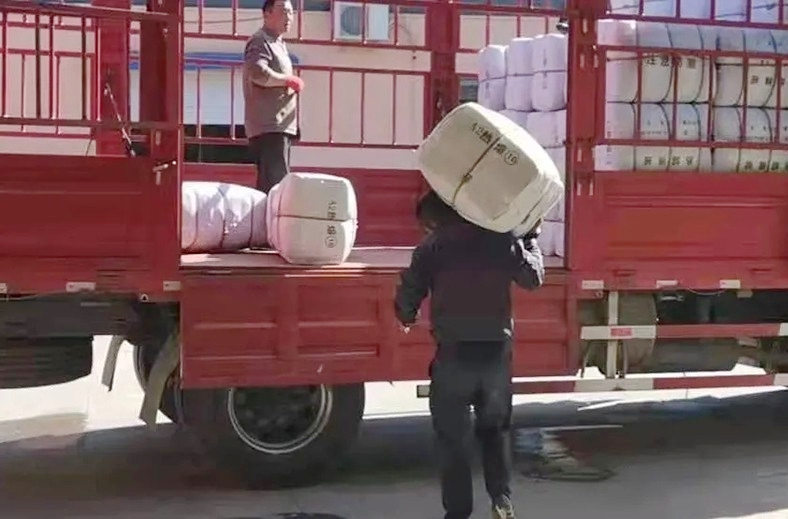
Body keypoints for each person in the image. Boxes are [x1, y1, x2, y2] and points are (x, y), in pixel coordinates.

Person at [395, 191, 545, 519]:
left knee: (452, 441)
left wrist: (406, 315)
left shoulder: (433, 247)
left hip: (453, 358)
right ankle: (502, 502)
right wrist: (530, 238)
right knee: (495, 432)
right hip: (494, 358)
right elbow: (533, 278)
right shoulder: (501, 240)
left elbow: (409, 290)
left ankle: (458, 512)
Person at [243, 0, 302, 194]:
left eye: (291, 13)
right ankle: (269, 225)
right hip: (270, 127)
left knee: (278, 185)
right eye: (284, 11)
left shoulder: (279, 44)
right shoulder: (261, 41)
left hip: (280, 126)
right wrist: (287, 80)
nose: (289, 18)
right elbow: (258, 73)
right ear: (267, 13)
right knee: (275, 189)